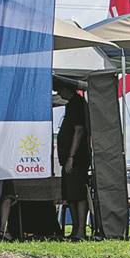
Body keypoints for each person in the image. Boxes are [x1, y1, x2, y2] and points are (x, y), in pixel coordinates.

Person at [57, 85, 91, 240]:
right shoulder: (72, 104)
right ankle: (76, 228)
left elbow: (79, 130)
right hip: (69, 158)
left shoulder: (76, 104)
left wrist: (71, 156)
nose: (58, 92)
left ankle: (81, 229)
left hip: (77, 158)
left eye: (60, 89)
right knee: (70, 195)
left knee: (78, 193)